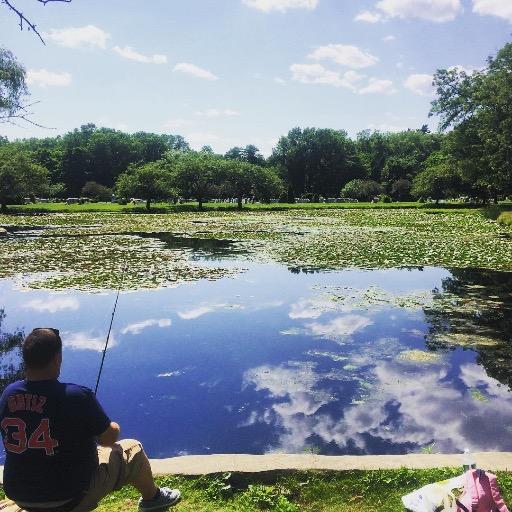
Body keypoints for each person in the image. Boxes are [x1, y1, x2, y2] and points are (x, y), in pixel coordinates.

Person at [0, 328, 181, 512]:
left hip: (21, 496)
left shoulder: (8, 394)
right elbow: (109, 439)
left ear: (26, 360)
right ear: (57, 359)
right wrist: (114, 426)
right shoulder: (76, 396)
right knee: (133, 450)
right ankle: (154, 499)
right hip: (70, 498)